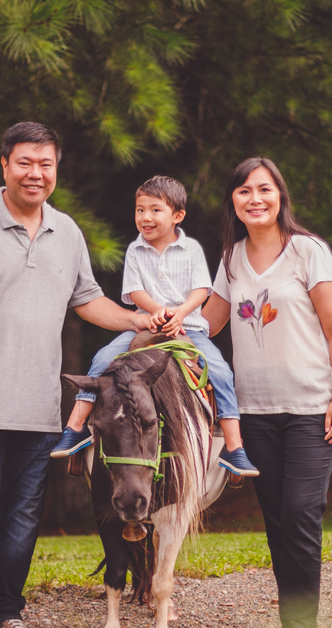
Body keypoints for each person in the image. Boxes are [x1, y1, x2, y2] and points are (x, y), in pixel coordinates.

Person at [0, 122, 155, 628]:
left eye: (45, 164)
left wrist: (139, 320)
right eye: (25, 162)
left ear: (56, 168)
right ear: (4, 165)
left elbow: (88, 300)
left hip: (39, 409)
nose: (35, 173)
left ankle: (8, 610)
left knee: (22, 520)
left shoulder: (66, 232)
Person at [203, 157, 332, 628]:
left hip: (311, 407)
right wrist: (163, 318)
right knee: (276, 516)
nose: (255, 199)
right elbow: (210, 324)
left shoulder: (308, 251)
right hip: (254, 412)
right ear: (233, 201)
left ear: (280, 195)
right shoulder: (231, 259)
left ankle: (303, 624)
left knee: (300, 509)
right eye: (244, 191)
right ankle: (292, 622)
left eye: (264, 189)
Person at [49, 175, 259, 477]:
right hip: (146, 327)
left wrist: (181, 312)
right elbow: (135, 292)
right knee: (102, 359)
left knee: (221, 371)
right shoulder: (135, 250)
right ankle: (76, 426)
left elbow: (202, 289)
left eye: (155, 210)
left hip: (188, 328)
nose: (145, 217)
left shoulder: (191, 249)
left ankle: (234, 445)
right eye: (140, 210)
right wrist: (157, 311)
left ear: (177, 216)